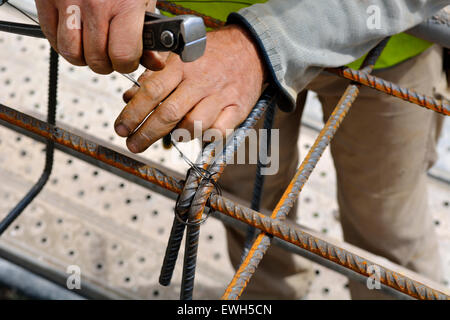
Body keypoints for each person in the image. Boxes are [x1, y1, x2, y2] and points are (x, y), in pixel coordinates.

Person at [36, 0, 449, 299]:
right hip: (205, 47)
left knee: (386, 223)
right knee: (251, 209)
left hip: (388, 40)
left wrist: (264, 42)